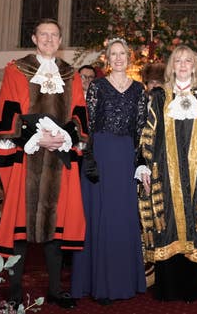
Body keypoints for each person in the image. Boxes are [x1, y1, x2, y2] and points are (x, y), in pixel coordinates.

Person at [0, 18, 87, 309]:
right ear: (33, 38)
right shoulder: (16, 69)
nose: (48, 39)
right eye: (43, 34)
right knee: (20, 230)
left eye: (54, 35)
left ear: (60, 41)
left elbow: (79, 113)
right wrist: (35, 138)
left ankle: (56, 290)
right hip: (27, 157)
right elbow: (6, 111)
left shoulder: (71, 75)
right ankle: (15, 289)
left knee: (56, 231)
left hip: (59, 158)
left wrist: (65, 138)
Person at [137, 45, 197, 302]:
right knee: (168, 225)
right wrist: (143, 162)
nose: (183, 65)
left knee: (193, 224)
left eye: (188, 60)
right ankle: (167, 289)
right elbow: (147, 132)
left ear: (195, 65)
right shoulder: (160, 97)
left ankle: (190, 289)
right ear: (172, 66)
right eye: (178, 61)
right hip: (166, 172)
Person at [71, 38, 147, 305]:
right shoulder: (97, 87)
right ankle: (97, 283)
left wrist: (139, 162)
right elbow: (88, 126)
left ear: (130, 58)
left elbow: (140, 130)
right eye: (113, 54)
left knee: (121, 217)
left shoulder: (139, 89)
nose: (118, 58)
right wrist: (89, 158)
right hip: (100, 155)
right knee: (98, 216)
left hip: (125, 155)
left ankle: (123, 280)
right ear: (106, 59)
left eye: (122, 54)